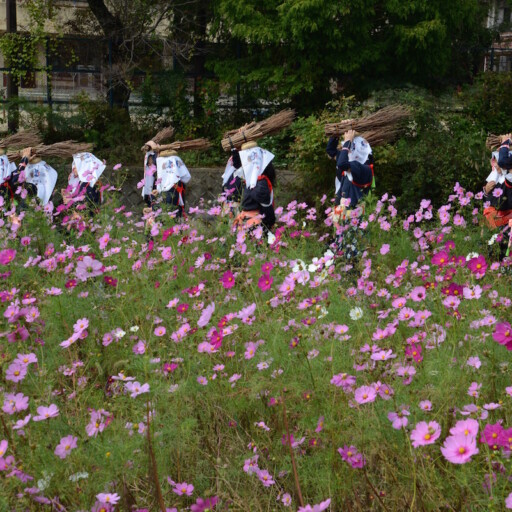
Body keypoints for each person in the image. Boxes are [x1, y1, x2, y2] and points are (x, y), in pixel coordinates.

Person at [233, 141, 276, 231]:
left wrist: (269, 226)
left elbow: (267, 211)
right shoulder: (252, 181)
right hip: (248, 223)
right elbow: (237, 165)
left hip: (255, 226)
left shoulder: (260, 183)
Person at [483, 135, 512, 229]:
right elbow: (487, 203)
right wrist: (486, 193)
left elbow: (505, 203)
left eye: (497, 161)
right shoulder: (495, 179)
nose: (495, 165)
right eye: (494, 161)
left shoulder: (509, 179)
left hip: (506, 225)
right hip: (493, 226)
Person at [155, 149, 191, 218]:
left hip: (167, 189)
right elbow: (186, 176)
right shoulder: (176, 159)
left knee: (167, 210)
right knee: (176, 211)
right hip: (176, 187)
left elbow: (161, 177)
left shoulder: (161, 160)